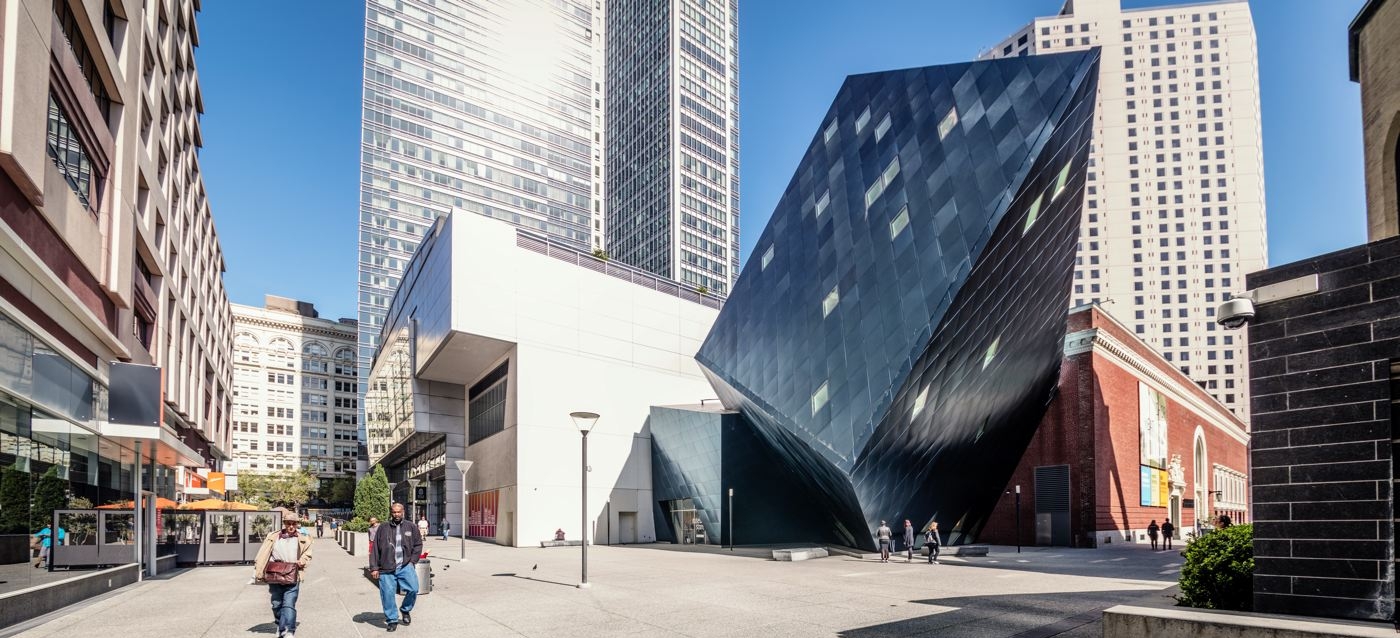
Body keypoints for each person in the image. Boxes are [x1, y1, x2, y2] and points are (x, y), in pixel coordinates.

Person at [253, 515, 313, 638]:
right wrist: (258, 569)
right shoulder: (273, 536)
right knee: (276, 604)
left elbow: (307, 554)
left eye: (294, 523)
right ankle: (281, 623)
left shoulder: (303, 538)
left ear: (297, 524)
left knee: (289, 604)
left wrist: (302, 560)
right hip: (275, 573)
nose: (291, 526)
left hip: (292, 574)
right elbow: (263, 553)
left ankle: (288, 630)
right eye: (288, 523)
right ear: (284, 523)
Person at [370, 503, 424, 632]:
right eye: (394, 512)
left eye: (399, 512)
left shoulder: (411, 526)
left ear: (403, 512)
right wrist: (374, 567)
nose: (396, 514)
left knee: (413, 589)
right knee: (387, 595)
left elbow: (418, 544)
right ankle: (392, 620)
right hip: (386, 568)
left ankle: (405, 610)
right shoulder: (383, 528)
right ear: (391, 513)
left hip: (405, 566)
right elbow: (375, 549)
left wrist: (412, 561)